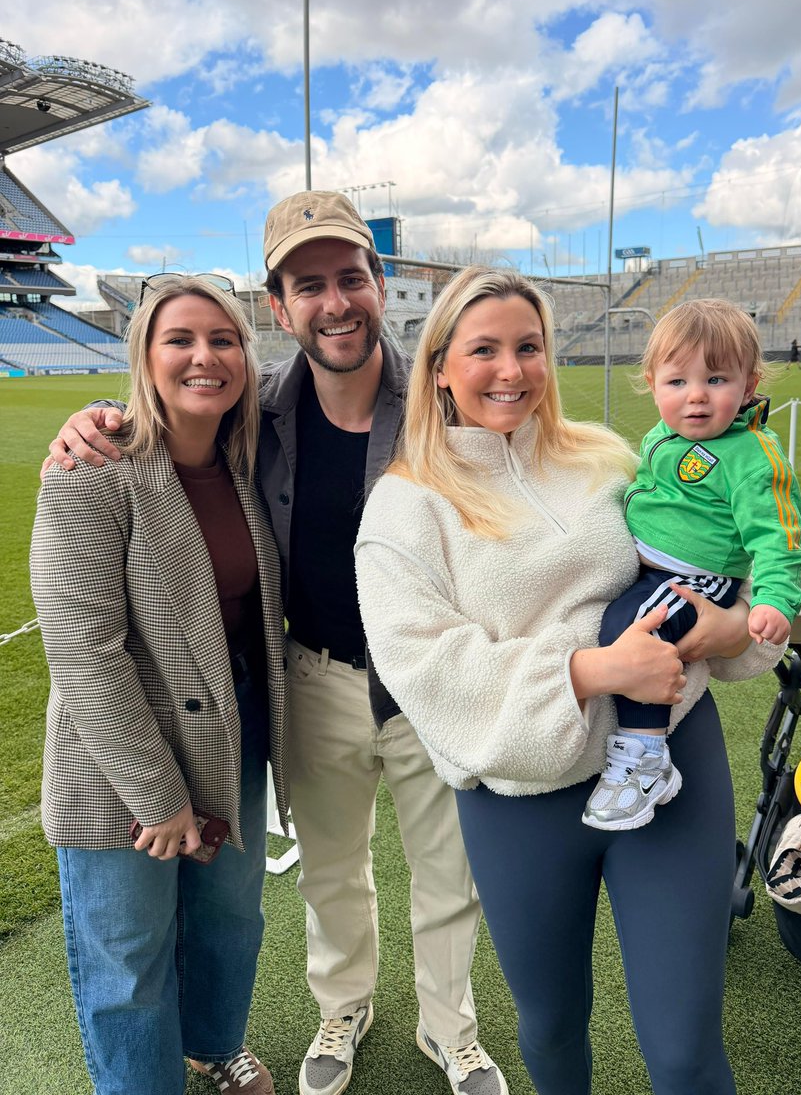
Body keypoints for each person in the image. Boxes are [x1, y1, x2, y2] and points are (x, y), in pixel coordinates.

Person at [42, 193, 506, 1095]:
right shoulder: (259, 411)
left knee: (447, 877)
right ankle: (344, 1007)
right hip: (315, 677)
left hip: (434, 682)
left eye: (350, 278)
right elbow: (160, 407)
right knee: (328, 876)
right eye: (308, 286)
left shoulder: (443, 402)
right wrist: (95, 415)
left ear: (379, 286)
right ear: (282, 307)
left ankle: (452, 1030)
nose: (334, 303)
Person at [354, 267, 783, 1095]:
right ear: (439, 366)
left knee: (686, 1049)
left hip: (671, 773)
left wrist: (734, 632)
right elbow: (425, 667)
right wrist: (591, 670)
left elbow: (719, 566)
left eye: (529, 347)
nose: (511, 371)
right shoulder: (404, 509)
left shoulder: (606, 460)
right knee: (551, 1034)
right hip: (521, 801)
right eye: (484, 350)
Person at [31, 274, 288, 1095]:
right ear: (144, 354)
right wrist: (157, 792)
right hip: (119, 749)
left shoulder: (246, 462)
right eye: (180, 339)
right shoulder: (93, 468)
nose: (204, 357)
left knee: (228, 917)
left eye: (224, 339)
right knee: (129, 948)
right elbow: (83, 649)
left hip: (234, 721)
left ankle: (215, 1047)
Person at [583, 299, 801, 832]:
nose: (697, 396)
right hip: (652, 570)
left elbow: (780, 539)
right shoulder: (661, 437)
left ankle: (646, 756)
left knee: (632, 632)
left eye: (716, 378)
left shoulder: (754, 456)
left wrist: (775, 600)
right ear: (653, 383)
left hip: (695, 579)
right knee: (616, 622)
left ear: (748, 386)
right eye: (677, 381)